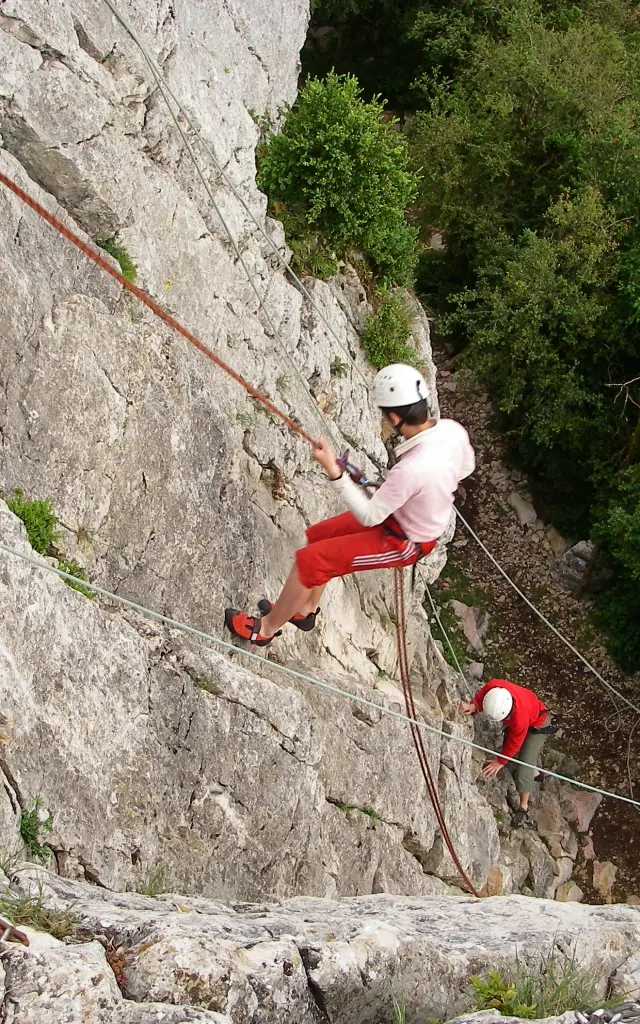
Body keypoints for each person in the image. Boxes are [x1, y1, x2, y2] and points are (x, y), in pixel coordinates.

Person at [225, 363, 475, 646]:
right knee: (317, 537)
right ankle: (305, 610)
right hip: (401, 517)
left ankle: (266, 630)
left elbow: (369, 515)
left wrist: (335, 472)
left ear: (393, 417)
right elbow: (466, 466)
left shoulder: (412, 469)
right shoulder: (452, 430)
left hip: (405, 541)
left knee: (309, 561)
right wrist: (425, 491)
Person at [459, 677, 553, 828]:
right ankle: (534, 771)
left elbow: (514, 743)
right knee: (517, 747)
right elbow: (484, 693)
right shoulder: (495, 688)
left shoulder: (519, 719)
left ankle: (523, 807)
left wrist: (500, 762)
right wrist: (474, 705)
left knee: (524, 767)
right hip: (531, 709)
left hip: (540, 723)